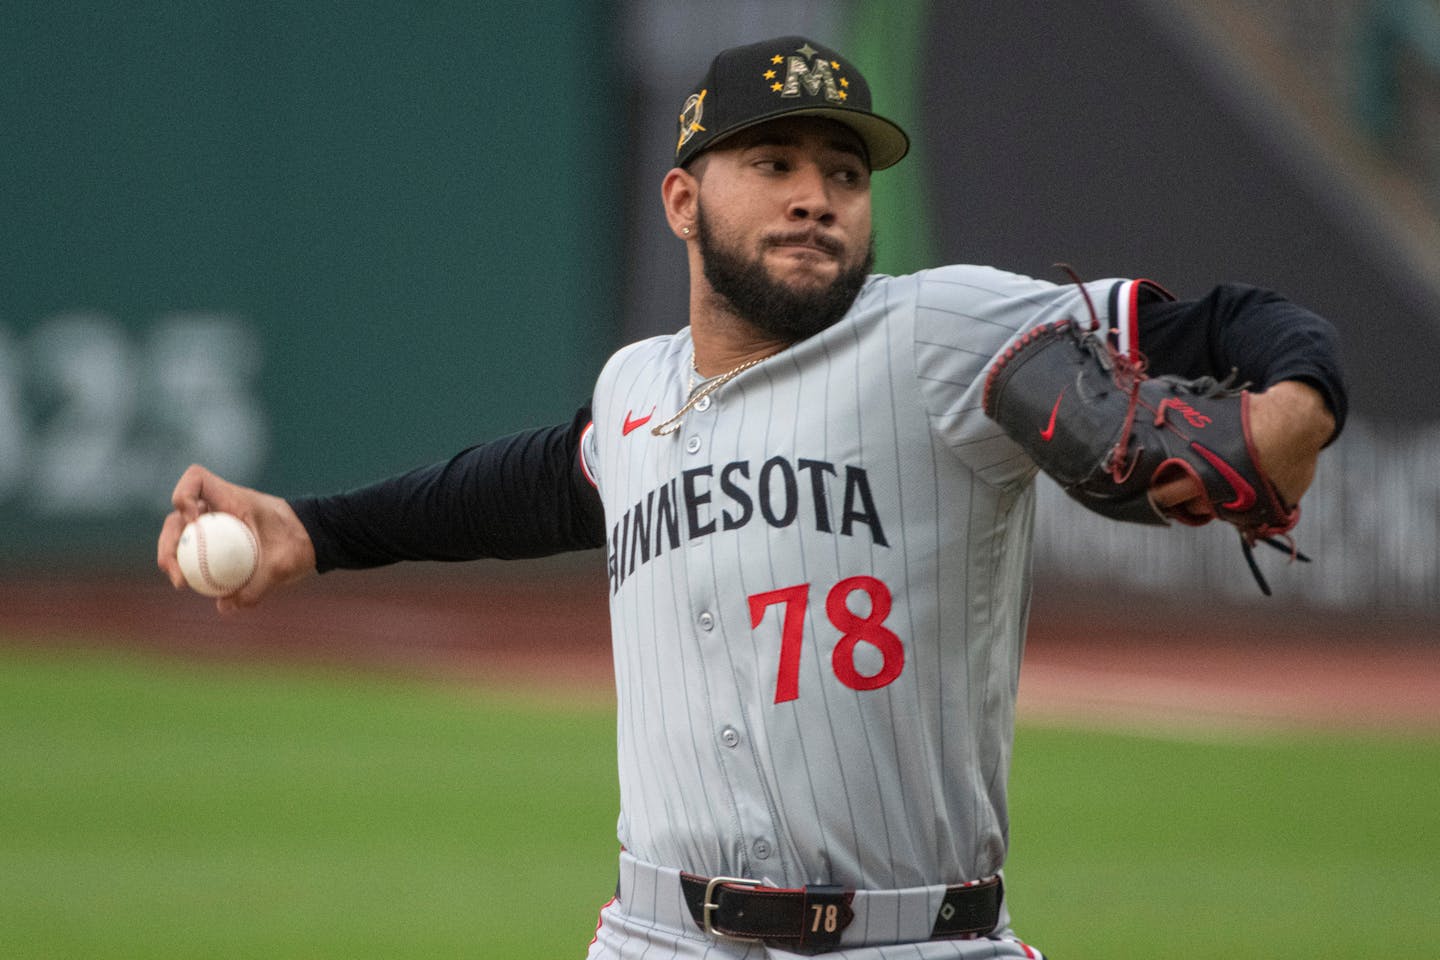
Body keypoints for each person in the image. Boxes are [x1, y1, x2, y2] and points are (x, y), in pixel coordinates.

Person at [157, 36, 1344, 959]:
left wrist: (1301, 402)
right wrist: (315, 530)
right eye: (772, 164)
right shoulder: (636, 390)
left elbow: (1228, 320)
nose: (816, 196)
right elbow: (528, 486)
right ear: (683, 202)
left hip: (916, 935)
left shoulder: (940, 329)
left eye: (842, 172)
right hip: (658, 932)